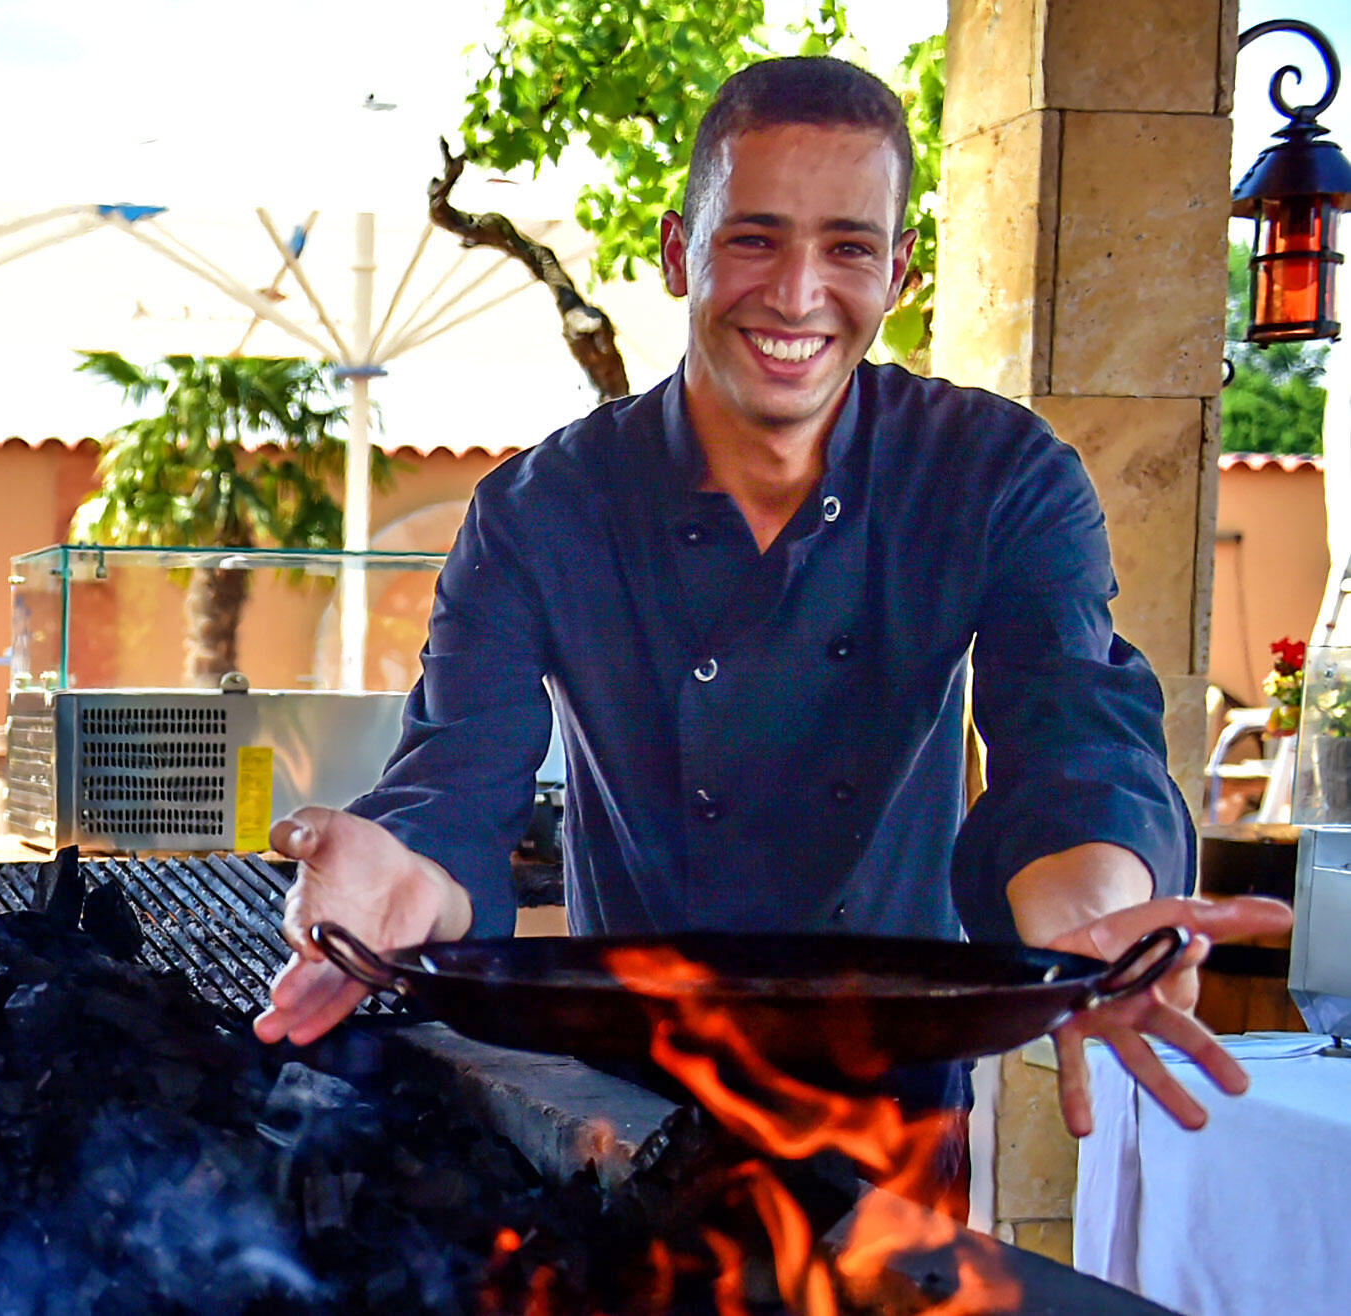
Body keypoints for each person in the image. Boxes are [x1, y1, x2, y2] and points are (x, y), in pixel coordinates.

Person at [253, 56, 1294, 1150]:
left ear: (897, 272)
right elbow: (457, 784)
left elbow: (1073, 726)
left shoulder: (993, 472)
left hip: (893, 1096)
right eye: (753, 238)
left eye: (846, 246)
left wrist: (1088, 917)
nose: (798, 293)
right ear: (675, 253)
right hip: (632, 1105)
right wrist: (392, 870)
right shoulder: (541, 507)